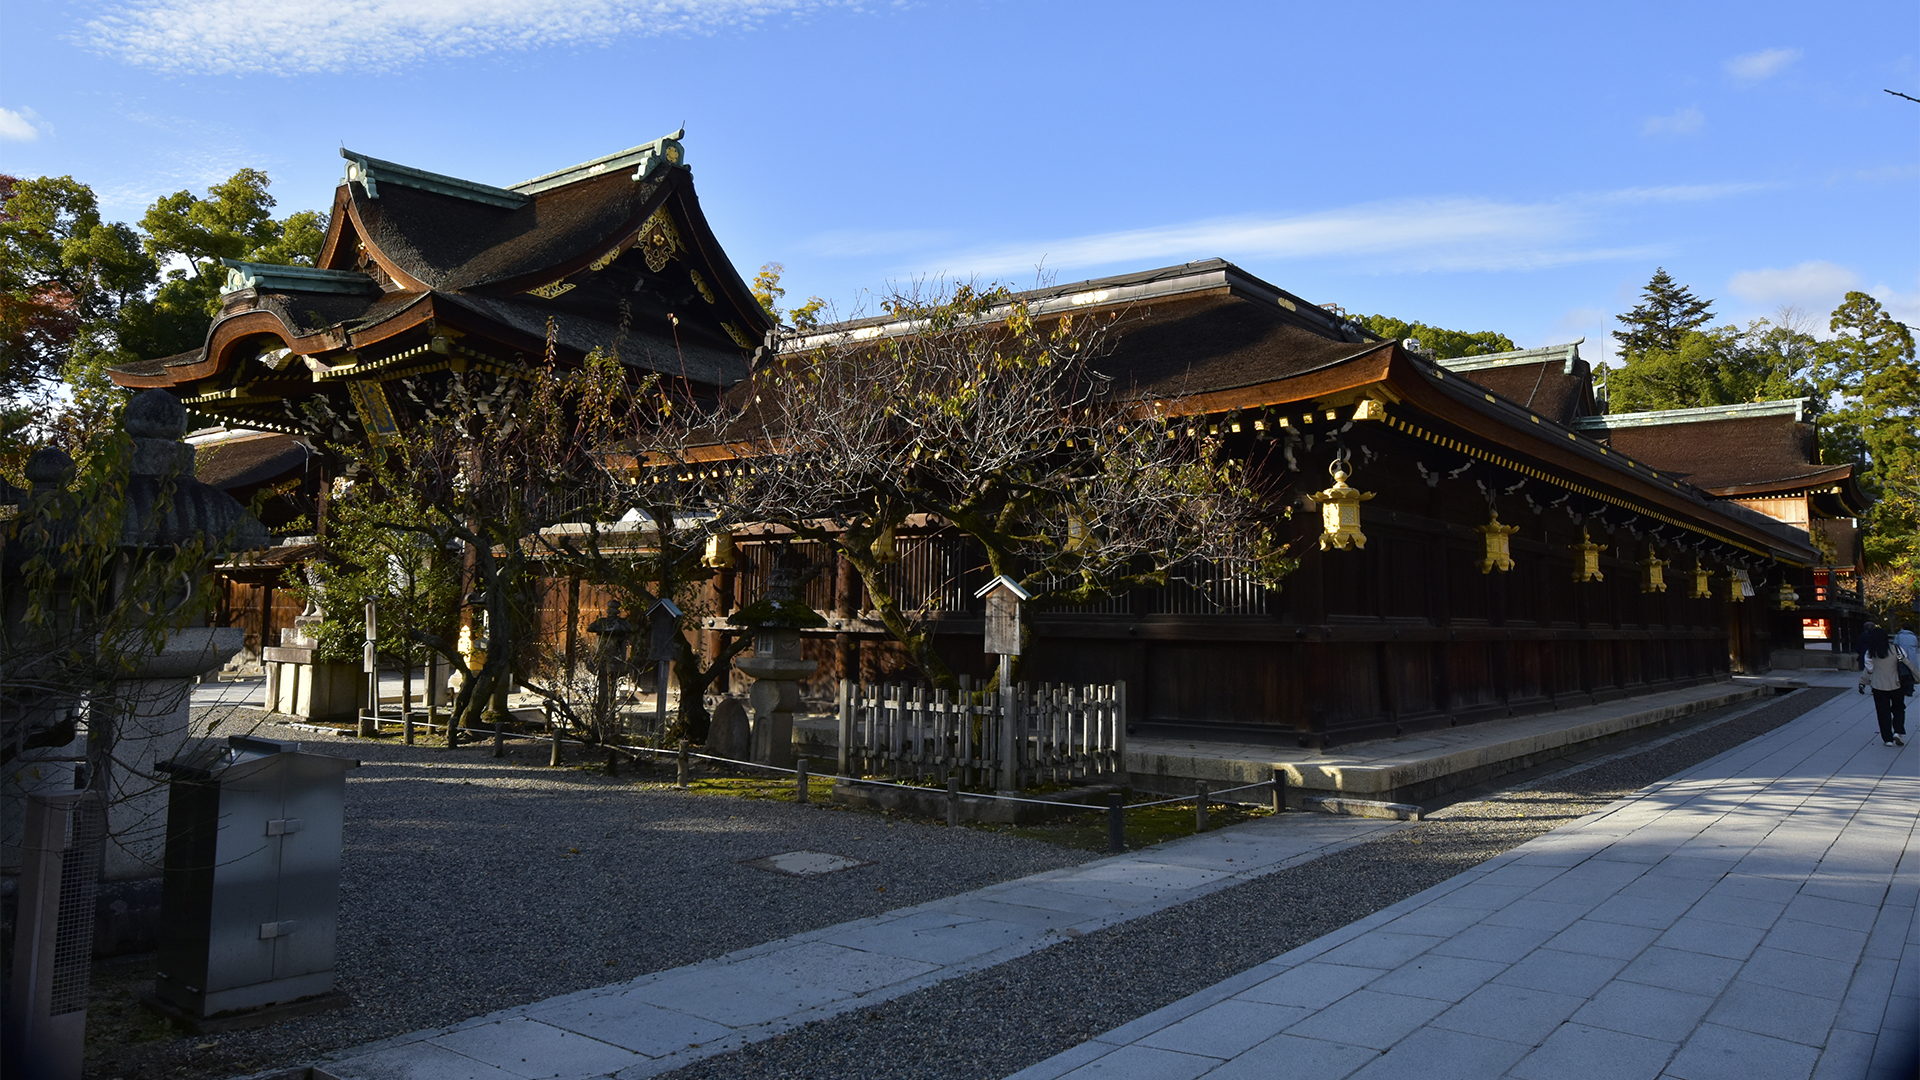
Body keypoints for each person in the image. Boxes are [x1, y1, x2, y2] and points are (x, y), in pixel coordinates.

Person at [1858, 626, 1909, 747]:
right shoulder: (1897, 649)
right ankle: (1898, 731)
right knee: (1899, 708)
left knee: (1883, 712)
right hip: (1896, 683)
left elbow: (1869, 669)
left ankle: (1887, 738)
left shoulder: (1870, 653)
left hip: (1878, 685)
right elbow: (1905, 661)